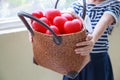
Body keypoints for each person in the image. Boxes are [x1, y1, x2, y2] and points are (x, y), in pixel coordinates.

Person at [63, 0, 120, 80]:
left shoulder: (114, 4)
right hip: (74, 62)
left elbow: (105, 21)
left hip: (97, 63)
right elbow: (65, 18)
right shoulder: (77, 5)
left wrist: (92, 40)